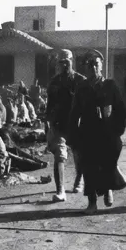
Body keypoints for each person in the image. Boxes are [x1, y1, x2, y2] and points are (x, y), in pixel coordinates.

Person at [68, 50, 126, 214]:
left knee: (108, 163)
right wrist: (72, 136)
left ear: (101, 66)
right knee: (88, 168)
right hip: (88, 132)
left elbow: (121, 110)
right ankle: (92, 202)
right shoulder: (81, 88)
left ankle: (108, 188)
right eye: (90, 65)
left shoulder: (110, 85)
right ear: (86, 68)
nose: (93, 67)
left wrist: (118, 129)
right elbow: (75, 113)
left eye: (96, 64)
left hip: (108, 133)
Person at [46, 49, 87, 202]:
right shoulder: (54, 82)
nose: (64, 65)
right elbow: (49, 106)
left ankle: (78, 181)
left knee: (79, 156)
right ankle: (60, 190)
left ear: (71, 61)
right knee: (59, 155)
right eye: (61, 62)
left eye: (66, 62)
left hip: (77, 125)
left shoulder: (80, 81)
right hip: (59, 124)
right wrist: (49, 124)